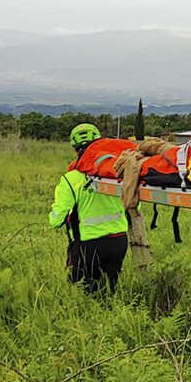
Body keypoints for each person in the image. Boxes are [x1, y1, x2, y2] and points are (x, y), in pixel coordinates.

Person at [49, 124, 129, 294]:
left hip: (88, 246)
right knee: (110, 291)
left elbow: (57, 219)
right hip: (119, 241)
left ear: (76, 149)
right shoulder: (115, 173)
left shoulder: (70, 179)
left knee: (80, 293)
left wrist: (53, 215)